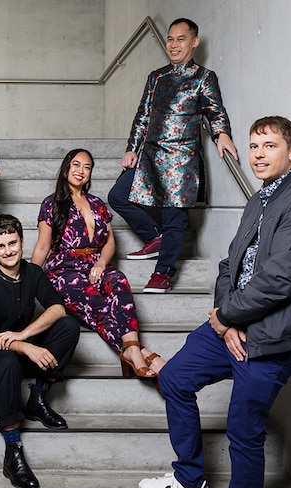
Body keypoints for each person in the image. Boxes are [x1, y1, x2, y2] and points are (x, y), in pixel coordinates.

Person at [137, 117, 291, 488]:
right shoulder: (260, 199)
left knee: (244, 432)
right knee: (173, 377)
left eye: (270, 145)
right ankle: (190, 479)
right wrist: (226, 319)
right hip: (234, 325)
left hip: (276, 337)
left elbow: (281, 281)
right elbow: (231, 263)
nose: (259, 154)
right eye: (253, 146)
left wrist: (228, 317)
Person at [107, 18, 237, 294]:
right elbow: (143, 115)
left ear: (194, 42)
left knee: (175, 219)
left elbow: (215, 111)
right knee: (118, 196)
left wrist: (221, 133)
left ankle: (163, 273)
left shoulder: (204, 77)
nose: (174, 44)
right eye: (170, 39)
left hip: (182, 158)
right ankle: (155, 238)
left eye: (181, 39)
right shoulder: (156, 77)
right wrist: (132, 147)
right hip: (150, 155)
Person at [0, 214, 80, 488]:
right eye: (0, 246)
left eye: (12, 243)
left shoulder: (33, 273)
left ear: (22, 242)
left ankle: (36, 398)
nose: (8, 251)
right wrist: (27, 347)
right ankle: (13, 452)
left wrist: (24, 336)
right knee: (6, 361)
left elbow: (57, 307)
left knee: (68, 327)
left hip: (18, 349)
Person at [31, 149, 155, 378]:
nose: (81, 171)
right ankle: (140, 354)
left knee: (119, 280)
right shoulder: (51, 204)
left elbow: (109, 243)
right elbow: (42, 247)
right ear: (66, 167)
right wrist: (29, 281)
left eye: (86, 167)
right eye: (76, 165)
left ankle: (132, 348)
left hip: (94, 265)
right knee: (100, 304)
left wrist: (101, 264)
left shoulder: (97, 203)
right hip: (64, 270)